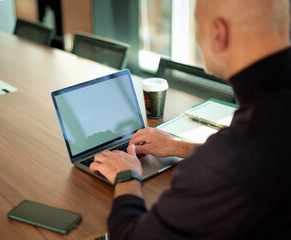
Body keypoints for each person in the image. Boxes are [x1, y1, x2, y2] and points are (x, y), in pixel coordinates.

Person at [89, 0, 291, 239]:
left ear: (218, 33)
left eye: (198, 25)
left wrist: (127, 175)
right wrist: (178, 146)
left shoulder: (234, 153)